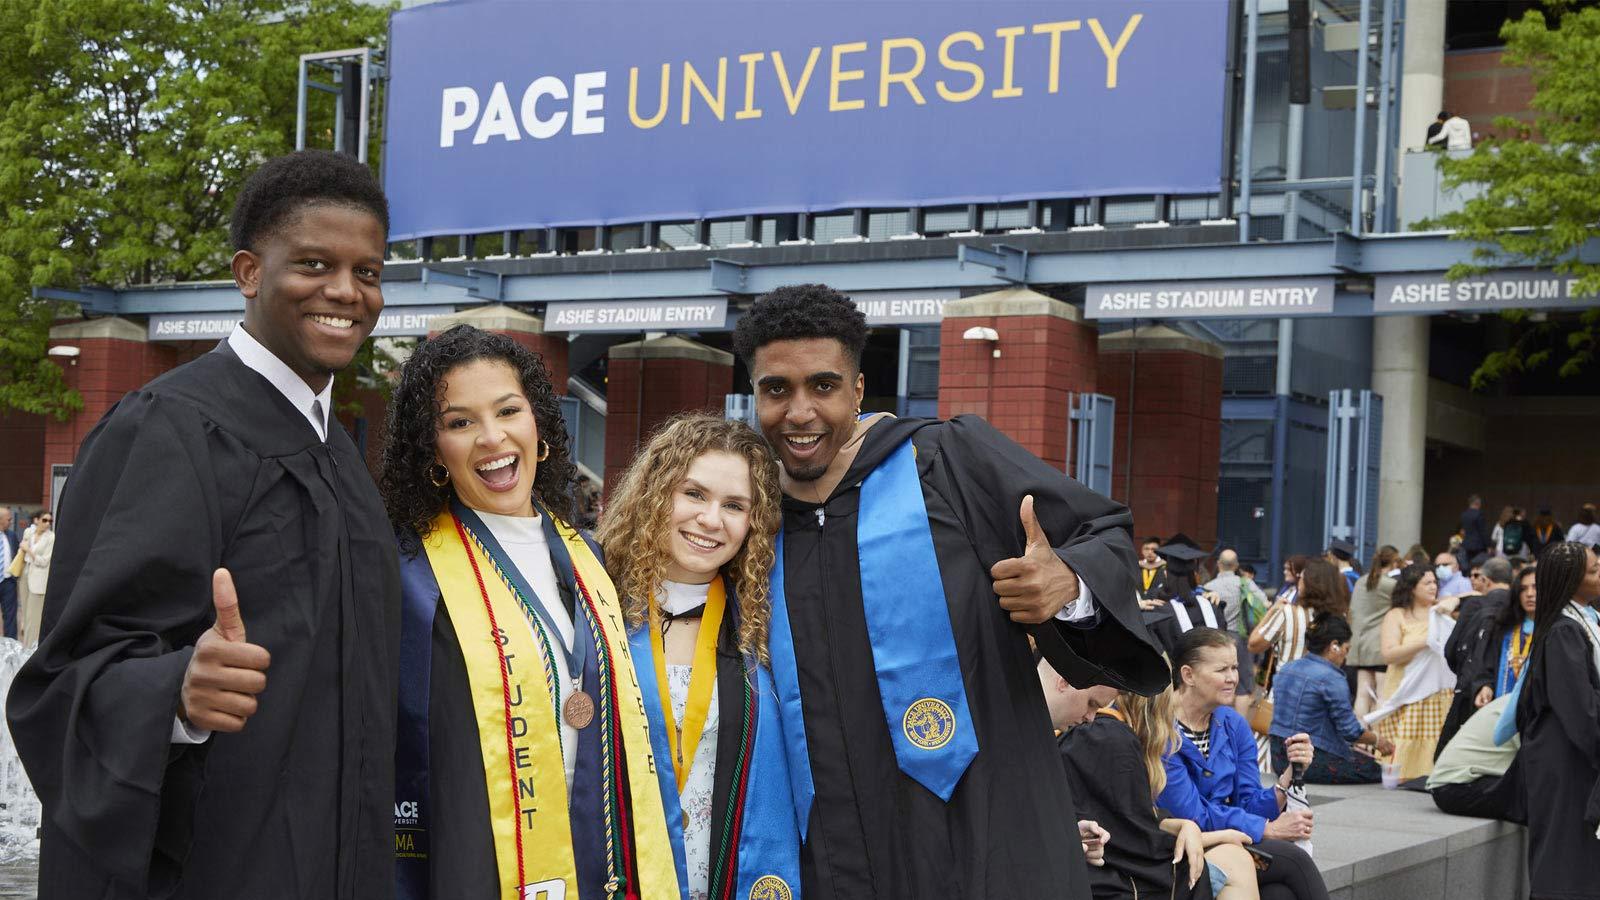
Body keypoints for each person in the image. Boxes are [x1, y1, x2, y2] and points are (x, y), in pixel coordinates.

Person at [6, 150, 402, 899]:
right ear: (249, 273)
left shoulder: (338, 453)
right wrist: (176, 695)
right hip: (220, 869)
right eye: (315, 264)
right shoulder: (170, 430)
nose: (346, 293)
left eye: (369, 272)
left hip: (342, 860)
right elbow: (60, 683)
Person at [731, 283, 1167, 899]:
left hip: (984, 837)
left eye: (823, 386)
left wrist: (1068, 584)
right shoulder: (747, 518)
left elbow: (1104, 531)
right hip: (827, 855)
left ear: (857, 390)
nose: (799, 412)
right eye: (777, 389)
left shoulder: (947, 464)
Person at [379, 326, 678, 900]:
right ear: (432, 450)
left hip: (598, 850)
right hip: (478, 859)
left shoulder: (587, 555)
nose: (492, 438)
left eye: (508, 410)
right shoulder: (412, 577)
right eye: (459, 422)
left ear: (538, 423)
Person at [596, 413, 801, 900]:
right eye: (693, 494)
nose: (711, 520)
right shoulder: (595, 608)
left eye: (734, 505)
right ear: (656, 494)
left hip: (730, 870)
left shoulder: (765, 627)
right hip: (623, 869)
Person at [1159, 628, 1330, 900]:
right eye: (1221, 670)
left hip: (1233, 840)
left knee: (1279, 895)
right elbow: (1192, 815)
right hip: (1182, 848)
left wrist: (1287, 777)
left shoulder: (1232, 723)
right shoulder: (1162, 731)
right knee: (1295, 861)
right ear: (1188, 675)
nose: (1232, 678)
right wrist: (1265, 829)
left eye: (1235, 668)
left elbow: (1248, 800)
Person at [1058, 676, 1260, 900]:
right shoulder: (1110, 739)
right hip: (1105, 880)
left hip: (1097, 869)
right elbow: (1136, 842)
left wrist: (1186, 827)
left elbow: (1133, 819)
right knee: (1237, 860)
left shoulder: (1102, 734)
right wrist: (1212, 837)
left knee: (1279, 886)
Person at [1514, 541, 1600, 899]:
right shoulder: (1565, 630)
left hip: (1576, 757)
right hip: (1566, 760)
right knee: (1564, 864)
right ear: (1571, 580)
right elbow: (1580, 709)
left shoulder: (1580, 621)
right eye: (1594, 570)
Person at [1268, 617, 1393, 784]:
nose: (1345, 657)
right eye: (1346, 649)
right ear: (1334, 645)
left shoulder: (1287, 668)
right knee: (1376, 769)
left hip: (1279, 759)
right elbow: (1350, 731)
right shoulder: (1332, 678)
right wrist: (1378, 740)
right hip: (1312, 760)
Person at [1370, 565, 1456, 781]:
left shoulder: (1440, 612)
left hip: (1436, 691)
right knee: (1404, 735)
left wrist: (1453, 601)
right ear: (1411, 588)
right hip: (1405, 688)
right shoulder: (1397, 615)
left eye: (1435, 582)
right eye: (1427, 583)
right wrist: (1425, 642)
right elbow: (1389, 654)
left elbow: (1471, 596)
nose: (1433, 587)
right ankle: (1402, 776)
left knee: (1435, 735)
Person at [1437, 561, 1526, 754]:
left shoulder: (1475, 605)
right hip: (1513, 690)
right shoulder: (1522, 609)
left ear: (1485, 579)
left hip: (1472, 688)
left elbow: (1452, 650)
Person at [1427, 695, 1525, 824]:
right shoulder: (1524, 706)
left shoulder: (1520, 699)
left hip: (1465, 782)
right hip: (1455, 786)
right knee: (1542, 800)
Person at [1249, 558, 1348, 685]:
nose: (1298, 583)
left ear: (1310, 584)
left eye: (1301, 578)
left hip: (1288, 689)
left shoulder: (1288, 613)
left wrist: (1271, 611)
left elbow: (1253, 645)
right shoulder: (1341, 618)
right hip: (1323, 690)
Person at [1347, 546, 1400, 719]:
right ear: (1393, 562)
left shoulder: (1361, 581)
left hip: (1359, 645)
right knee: (1382, 693)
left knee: (1363, 693)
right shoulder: (1391, 585)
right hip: (1380, 645)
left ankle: (1361, 738)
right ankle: (1376, 739)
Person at [18, 511, 53, 647]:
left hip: (39, 580)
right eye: (45, 520)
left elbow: (44, 561)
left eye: (50, 521)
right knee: (25, 615)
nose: (48, 524)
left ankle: (29, 649)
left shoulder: (51, 537)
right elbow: (21, 550)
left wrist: (29, 551)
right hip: (25, 575)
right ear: (36, 520)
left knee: (34, 619)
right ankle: (24, 645)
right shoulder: (29, 533)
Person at [1138, 535, 1171, 605]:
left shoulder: (1166, 568)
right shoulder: (1136, 567)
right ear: (1142, 551)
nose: (1150, 552)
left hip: (1160, 607)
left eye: (1153, 549)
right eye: (1146, 549)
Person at [1459, 495, 1491, 562]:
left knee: (1467, 564)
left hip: (1466, 544)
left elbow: (1462, 530)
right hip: (1478, 546)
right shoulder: (1479, 515)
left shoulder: (1464, 515)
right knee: (1478, 564)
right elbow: (1483, 531)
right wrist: (1488, 545)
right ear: (1478, 503)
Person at [0, 507, 15, 640]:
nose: (11, 521)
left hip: (8, 582)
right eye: (9, 519)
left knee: (10, 616)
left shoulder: (11, 535)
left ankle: (11, 644)